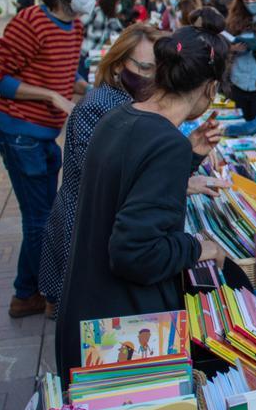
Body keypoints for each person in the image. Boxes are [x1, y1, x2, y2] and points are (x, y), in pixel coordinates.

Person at [54, 27, 230, 381]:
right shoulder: (165, 142)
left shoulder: (120, 117)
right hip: (122, 334)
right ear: (209, 89)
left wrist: (189, 157)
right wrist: (199, 247)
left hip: (86, 311)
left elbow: (131, 188)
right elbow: (136, 253)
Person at [0, 0, 90, 318]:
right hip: (19, 131)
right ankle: (28, 294)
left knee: (52, 213)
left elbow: (63, 74)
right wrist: (49, 96)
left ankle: (39, 289)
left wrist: (91, 90)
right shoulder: (30, 22)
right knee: (40, 218)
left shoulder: (75, 27)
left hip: (46, 134)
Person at [37, 23, 168, 316]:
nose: (152, 76)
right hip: (85, 218)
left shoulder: (130, 100)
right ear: (120, 62)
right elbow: (98, 175)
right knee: (80, 310)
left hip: (99, 214)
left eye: (158, 69)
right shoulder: (99, 105)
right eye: (145, 67)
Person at [80, 0, 123, 80]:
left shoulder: (112, 18)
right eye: (117, 3)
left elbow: (121, 33)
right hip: (85, 53)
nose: (118, 6)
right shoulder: (95, 11)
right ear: (111, 3)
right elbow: (80, 24)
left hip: (96, 55)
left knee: (91, 79)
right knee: (83, 78)